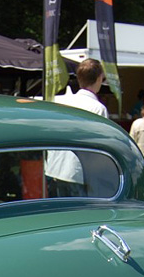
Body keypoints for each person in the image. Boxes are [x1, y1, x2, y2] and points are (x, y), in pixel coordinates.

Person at [44, 61, 109, 196]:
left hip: (54, 168)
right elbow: (100, 145)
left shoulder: (60, 102)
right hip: (79, 173)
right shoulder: (98, 108)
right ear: (99, 78)